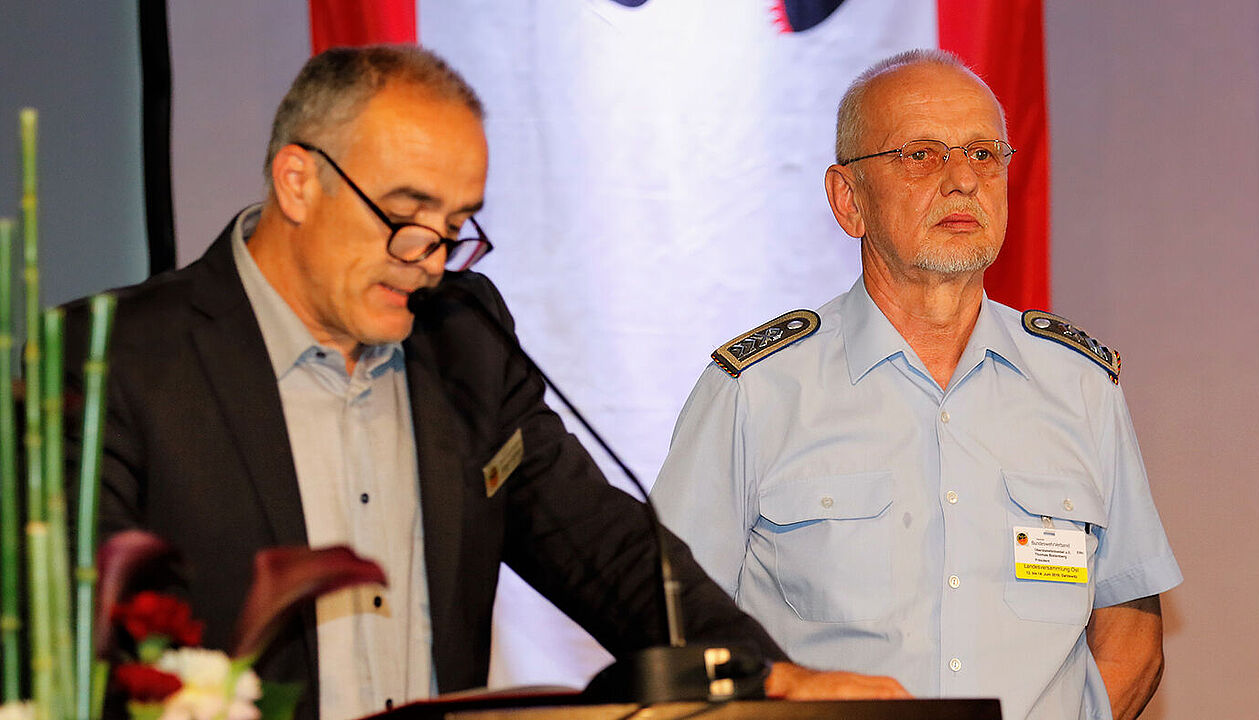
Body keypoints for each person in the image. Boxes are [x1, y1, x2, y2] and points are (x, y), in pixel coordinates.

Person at [63, 45, 908, 720]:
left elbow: (605, 551)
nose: (430, 256)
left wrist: (767, 679)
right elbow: (86, 648)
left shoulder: (460, 341)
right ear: (299, 181)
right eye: (405, 212)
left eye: (458, 224)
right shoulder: (115, 359)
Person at [651, 49, 1182, 720]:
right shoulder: (755, 390)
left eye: (985, 155)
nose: (963, 180)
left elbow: (1130, 624)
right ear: (849, 200)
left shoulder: (1080, 384)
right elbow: (671, 631)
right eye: (922, 155)